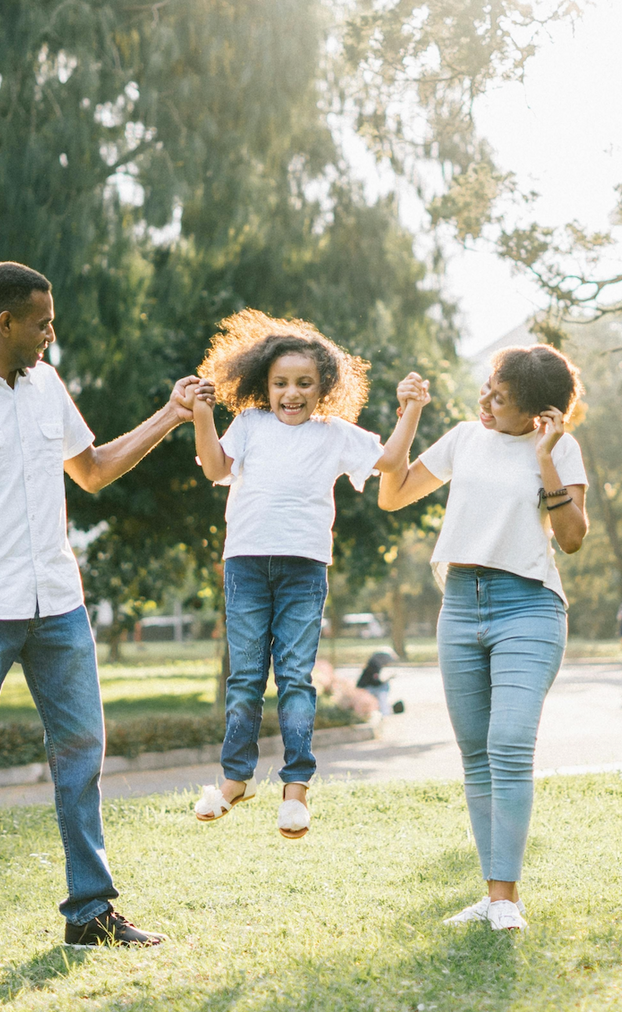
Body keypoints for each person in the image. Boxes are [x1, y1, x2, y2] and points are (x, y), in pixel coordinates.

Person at [0, 262, 192, 965]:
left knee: (82, 754)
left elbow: (92, 470)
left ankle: (90, 912)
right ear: (5, 322)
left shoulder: (46, 386)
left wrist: (172, 414)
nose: (51, 334)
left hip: (57, 606)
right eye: (42, 322)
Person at [190, 309, 429, 839]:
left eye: (304, 383)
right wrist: (202, 415)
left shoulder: (334, 434)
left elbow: (392, 461)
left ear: (325, 388)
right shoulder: (250, 425)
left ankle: (295, 790)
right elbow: (214, 468)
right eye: (280, 383)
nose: (291, 393)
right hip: (246, 564)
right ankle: (235, 780)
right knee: (246, 677)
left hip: (304, 569)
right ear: (264, 384)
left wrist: (411, 409)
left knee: (296, 677)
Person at [379, 343, 588, 932]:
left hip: (529, 606)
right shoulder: (465, 438)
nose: (487, 401)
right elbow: (392, 495)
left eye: (502, 398)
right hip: (460, 605)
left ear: (539, 413)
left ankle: (504, 900)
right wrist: (410, 414)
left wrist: (545, 457)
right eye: (489, 388)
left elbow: (573, 538)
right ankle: (496, 896)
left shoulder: (561, 448)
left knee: (509, 743)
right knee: (476, 756)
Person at [357, 650, 399, 715]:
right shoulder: (374, 666)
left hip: (366, 687)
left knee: (383, 687)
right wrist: (387, 680)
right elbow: (375, 682)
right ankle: (384, 710)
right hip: (365, 689)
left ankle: (384, 709)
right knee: (384, 688)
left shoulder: (373, 664)